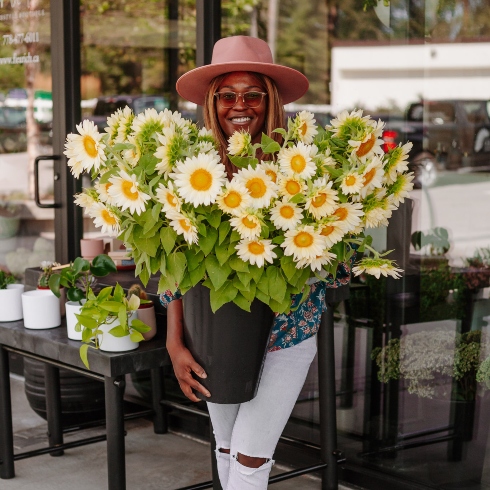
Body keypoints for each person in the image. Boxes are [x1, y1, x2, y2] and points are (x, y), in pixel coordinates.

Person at [160, 36, 353, 490]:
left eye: (252, 94)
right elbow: (172, 266)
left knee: (249, 460)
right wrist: (174, 343)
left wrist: (328, 243)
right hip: (216, 335)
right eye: (227, 95)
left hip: (287, 331)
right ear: (213, 102)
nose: (239, 105)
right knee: (226, 448)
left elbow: (340, 261)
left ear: (270, 101)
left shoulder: (305, 166)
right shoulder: (190, 169)